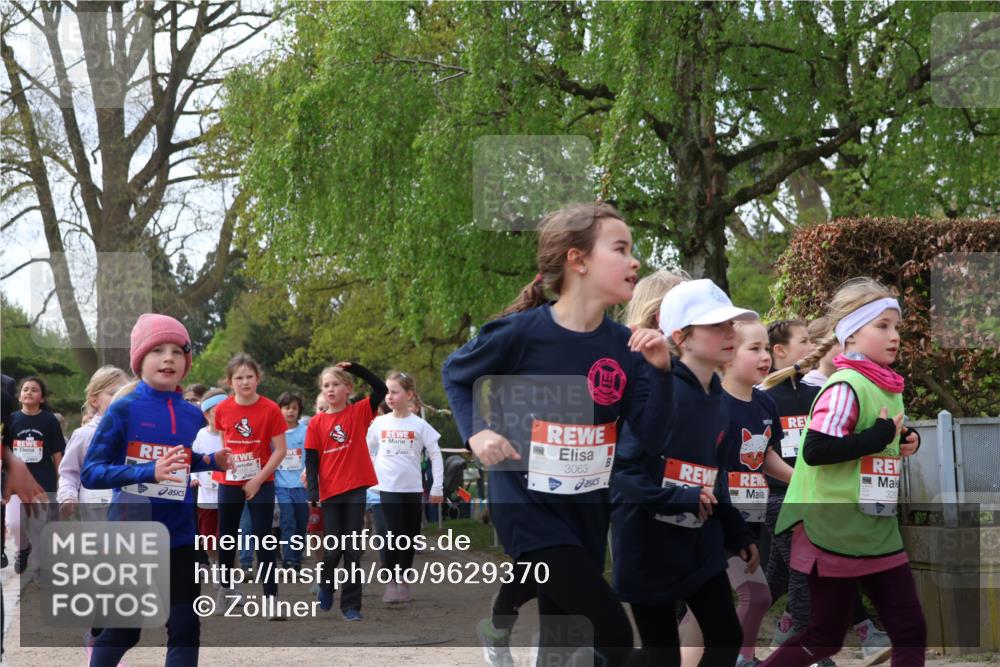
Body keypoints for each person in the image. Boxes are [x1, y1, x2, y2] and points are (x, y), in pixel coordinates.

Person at [443, 202, 673, 667]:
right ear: (578, 260)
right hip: (525, 504)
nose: (635, 262)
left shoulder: (625, 350)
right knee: (610, 632)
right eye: (621, 249)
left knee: (563, 642)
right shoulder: (521, 333)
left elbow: (652, 436)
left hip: (586, 508)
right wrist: (476, 433)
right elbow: (456, 373)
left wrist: (662, 374)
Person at [760, 278, 925, 667]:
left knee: (910, 631)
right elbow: (815, 451)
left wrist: (904, 439)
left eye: (896, 326)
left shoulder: (885, 385)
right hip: (832, 528)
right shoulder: (844, 385)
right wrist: (879, 436)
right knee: (823, 639)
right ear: (850, 334)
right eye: (882, 326)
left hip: (874, 528)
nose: (894, 336)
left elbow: (876, 436)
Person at [613, 277, 757, 667]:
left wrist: (738, 531)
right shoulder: (658, 390)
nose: (730, 333)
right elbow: (622, 476)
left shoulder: (720, 399)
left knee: (727, 637)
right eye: (716, 325)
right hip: (647, 546)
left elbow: (716, 474)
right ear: (681, 336)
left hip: (699, 546)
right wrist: (682, 498)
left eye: (731, 324)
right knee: (662, 657)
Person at [82, 313, 234, 667]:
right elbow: (92, 472)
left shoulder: (192, 415)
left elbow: (181, 461)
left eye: (177, 352)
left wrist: (211, 460)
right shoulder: (123, 409)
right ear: (139, 362)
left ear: (186, 363)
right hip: (132, 535)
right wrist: (149, 470)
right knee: (124, 630)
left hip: (180, 536)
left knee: (185, 627)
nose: (168, 358)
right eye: (158, 351)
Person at [305, 361, 387, 621]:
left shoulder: (360, 412)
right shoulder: (316, 423)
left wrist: (356, 368)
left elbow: (380, 388)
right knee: (333, 550)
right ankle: (326, 585)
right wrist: (313, 492)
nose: (330, 389)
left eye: (336, 384)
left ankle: (351, 606)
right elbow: (311, 459)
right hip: (329, 493)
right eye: (326, 385)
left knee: (352, 550)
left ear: (348, 389)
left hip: (355, 489)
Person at [212, 353, 287, 616]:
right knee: (227, 537)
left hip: (262, 479)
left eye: (249, 377)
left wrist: (257, 479)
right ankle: (225, 589)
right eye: (239, 377)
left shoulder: (270, 409)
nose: (245, 382)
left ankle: (271, 598)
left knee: (263, 538)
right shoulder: (222, 409)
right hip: (230, 481)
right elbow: (225, 443)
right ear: (230, 381)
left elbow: (280, 449)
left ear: (258, 378)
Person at [367, 371, 443, 603]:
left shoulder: (419, 425)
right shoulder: (379, 423)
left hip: (412, 489)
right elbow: (368, 449)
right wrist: (372, 476)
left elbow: (435, 454)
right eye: (387, 392)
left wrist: (437, 487)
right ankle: (390, 581)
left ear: (409, 395)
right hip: (387, 487)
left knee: (409, 536)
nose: (389, 397)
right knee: (393, 533)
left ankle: (403, 580)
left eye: (395, 392)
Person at [8, 375, 67, 574]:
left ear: (42, 397)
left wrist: (61, 480)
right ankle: (22, 550)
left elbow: (57, 452)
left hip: (43, 481)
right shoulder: (12, 419)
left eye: (34, 389)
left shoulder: (49, 420)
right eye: (25, 389)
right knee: (14, 523)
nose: (29, 392)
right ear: (19, 396)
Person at [191, 390, 228, 572]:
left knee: (227, 539)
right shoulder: (200, 435)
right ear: (206, 414)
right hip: (206, 497)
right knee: (208, 538)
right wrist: (194, 478)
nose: (222, 415)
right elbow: (192, 459)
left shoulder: (230, 435)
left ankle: (229, 579)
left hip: (228, 494)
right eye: (217, 411)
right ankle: (215, 563)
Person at [275, 391, 309, 570]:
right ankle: (288, 559)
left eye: (294, 408)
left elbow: (311, 455)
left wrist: (307, 473)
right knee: (287, 521)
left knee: (302, 523)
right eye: (287, 408)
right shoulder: (275, 432)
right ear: (279, 409)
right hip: (281, 486)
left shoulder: (305, 431)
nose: (290, 411)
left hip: (301, 486)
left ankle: (296, 557)